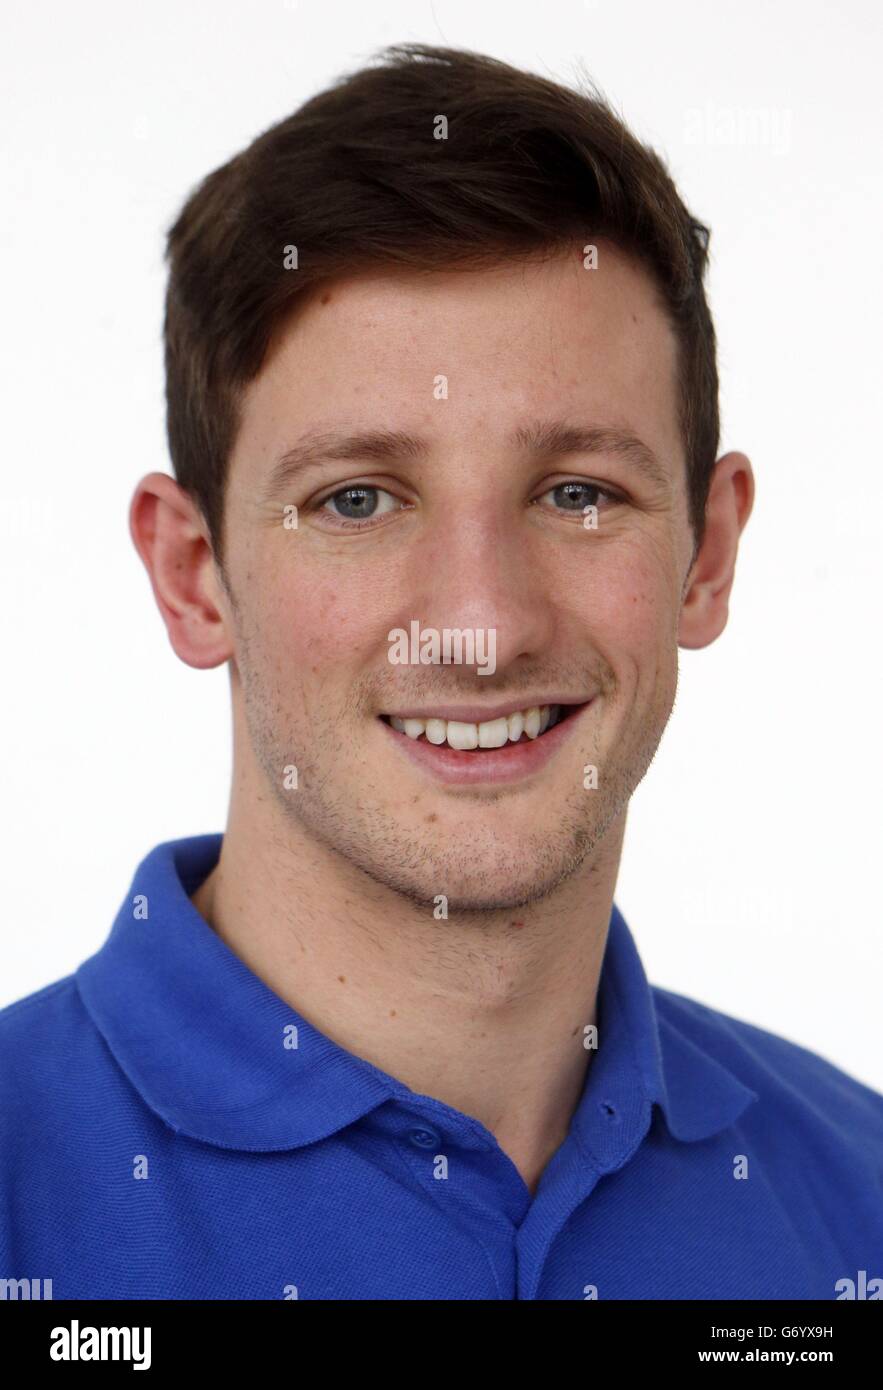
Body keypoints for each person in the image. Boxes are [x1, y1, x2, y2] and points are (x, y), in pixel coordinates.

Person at [1, 43, 880, 1302]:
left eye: (578, 493)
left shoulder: (859, 1199)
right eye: (357, 499)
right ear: (194, 576)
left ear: (706, 554)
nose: (481, 627)